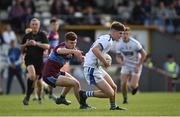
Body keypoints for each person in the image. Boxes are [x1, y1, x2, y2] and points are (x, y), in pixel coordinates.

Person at [82, 21, 126, 110]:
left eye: (122, 33)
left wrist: (103, 61)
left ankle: (113, 107)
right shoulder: (108, 40)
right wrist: (105, 62)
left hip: (97, 67)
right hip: (91, 68)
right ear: (113, 31)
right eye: (120, 33)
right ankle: (84, 94)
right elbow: (95, 49)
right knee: (110, 93)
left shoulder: (108, 39)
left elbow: (96, 50)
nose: (121, 35)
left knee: (114, 87)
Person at [42, 32, 90, 109]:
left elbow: (81, 58)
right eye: (71, 43)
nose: (73, 45)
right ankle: (82, 105)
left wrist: (94, 60)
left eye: (75, 43)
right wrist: (74, 51)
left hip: (56, 72)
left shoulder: (72, 49)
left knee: (75, 83)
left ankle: (62, 98)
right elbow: (59, 51)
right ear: (66, 42)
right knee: (75, 84)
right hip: (49, 75)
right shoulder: (62, 47)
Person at [21, 18, 50, 105]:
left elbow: (47, 46)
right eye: (33, 24)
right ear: (30, 25)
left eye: (36, 24)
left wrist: (36, 43)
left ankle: (38, 96)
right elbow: (21, 49)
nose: (34, 26)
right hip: (29, 59)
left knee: (38, 81)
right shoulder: (26, 36)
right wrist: (25, 44)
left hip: (39, 61)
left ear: (39, 25)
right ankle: (27, 97)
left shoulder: (42, 35)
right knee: (32, 76)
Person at [115, 27, 147, 104]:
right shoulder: (119, 44)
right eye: (123, 34)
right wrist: (120, 62)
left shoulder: (135, 43)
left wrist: (139, 65)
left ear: (130, 34)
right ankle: (125, 99)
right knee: (123, 83)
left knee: (132, 86)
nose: (125, 35)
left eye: (127, 34)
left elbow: (144, 54)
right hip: (126, 64)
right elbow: (118, 56)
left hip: (136, 64)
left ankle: (135, 87)